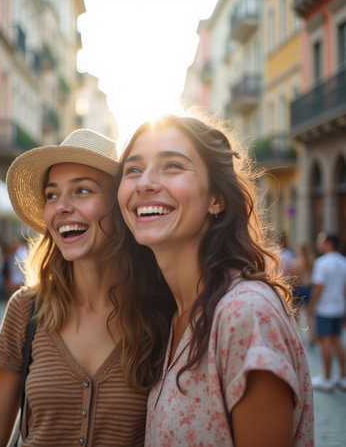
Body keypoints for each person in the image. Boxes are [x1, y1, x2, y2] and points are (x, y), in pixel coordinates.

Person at [0, 129, 174, 446]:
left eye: (82, 191)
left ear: (119, 205)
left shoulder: (164, 313)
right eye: (52, 194)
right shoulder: (27, 309)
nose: (61, 206)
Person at [117, 114, 314, 446]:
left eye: (172, 166)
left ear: (216, 199)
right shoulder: (169, 315)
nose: (144, 183)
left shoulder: (245, 314)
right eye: (133, 169)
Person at [307, 232, 346, 392]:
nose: (318, 244)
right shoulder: (343, 261)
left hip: (324, 308)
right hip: (339, 307)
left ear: (329, 243)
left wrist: (312, 305)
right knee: (337, 341)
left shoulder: (322, 263)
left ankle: (327, 379)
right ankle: (343, 377)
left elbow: (318, 287)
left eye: (321, 241)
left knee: (325, 342)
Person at [288, 240, 316, 343]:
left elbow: (294, 277)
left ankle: (296, 336)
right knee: (310, 314)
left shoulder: (297, 262)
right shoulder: (312, 261)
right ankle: (312, 337)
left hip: (298, 288)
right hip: (309, 288)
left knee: (296, 314)